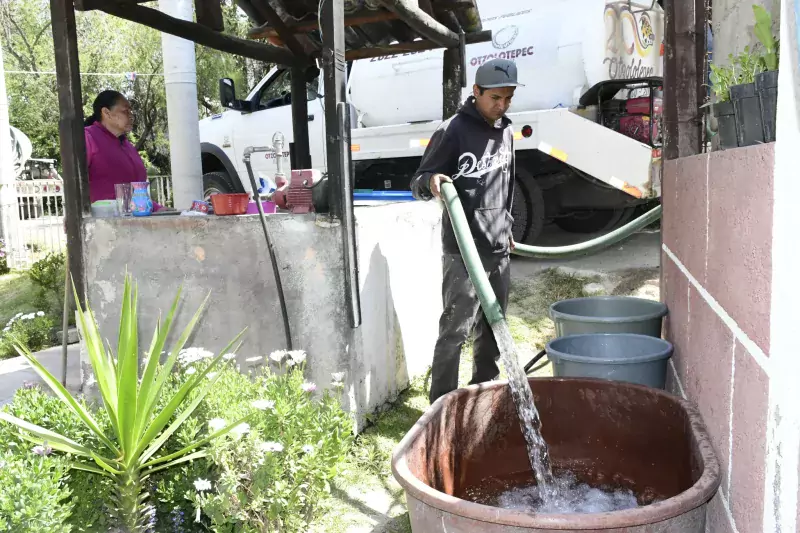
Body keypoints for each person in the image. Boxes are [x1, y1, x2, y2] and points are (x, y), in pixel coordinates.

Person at [410, 58, 521, 404]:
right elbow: (417, 180)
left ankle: (483, 394)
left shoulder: (506, 131)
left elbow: (507, 184)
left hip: (498, 247)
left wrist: (508, 225)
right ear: (476, 92)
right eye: (495, 98)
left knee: (493, 327)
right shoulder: (453, 130)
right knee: (456, 330)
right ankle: (441, 404)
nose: (501, 106)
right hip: (463, 250)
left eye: (508, 98)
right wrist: (431, 182)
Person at [84, 90, 160, 210]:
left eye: (130, 111)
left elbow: (137, 193)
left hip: (136, 220)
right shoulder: (87, 137)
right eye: (125, 111)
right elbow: (74, 185)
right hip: (103, 222)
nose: (131, 115)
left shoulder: (128, 146)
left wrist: (157, 208)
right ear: (106, 113)